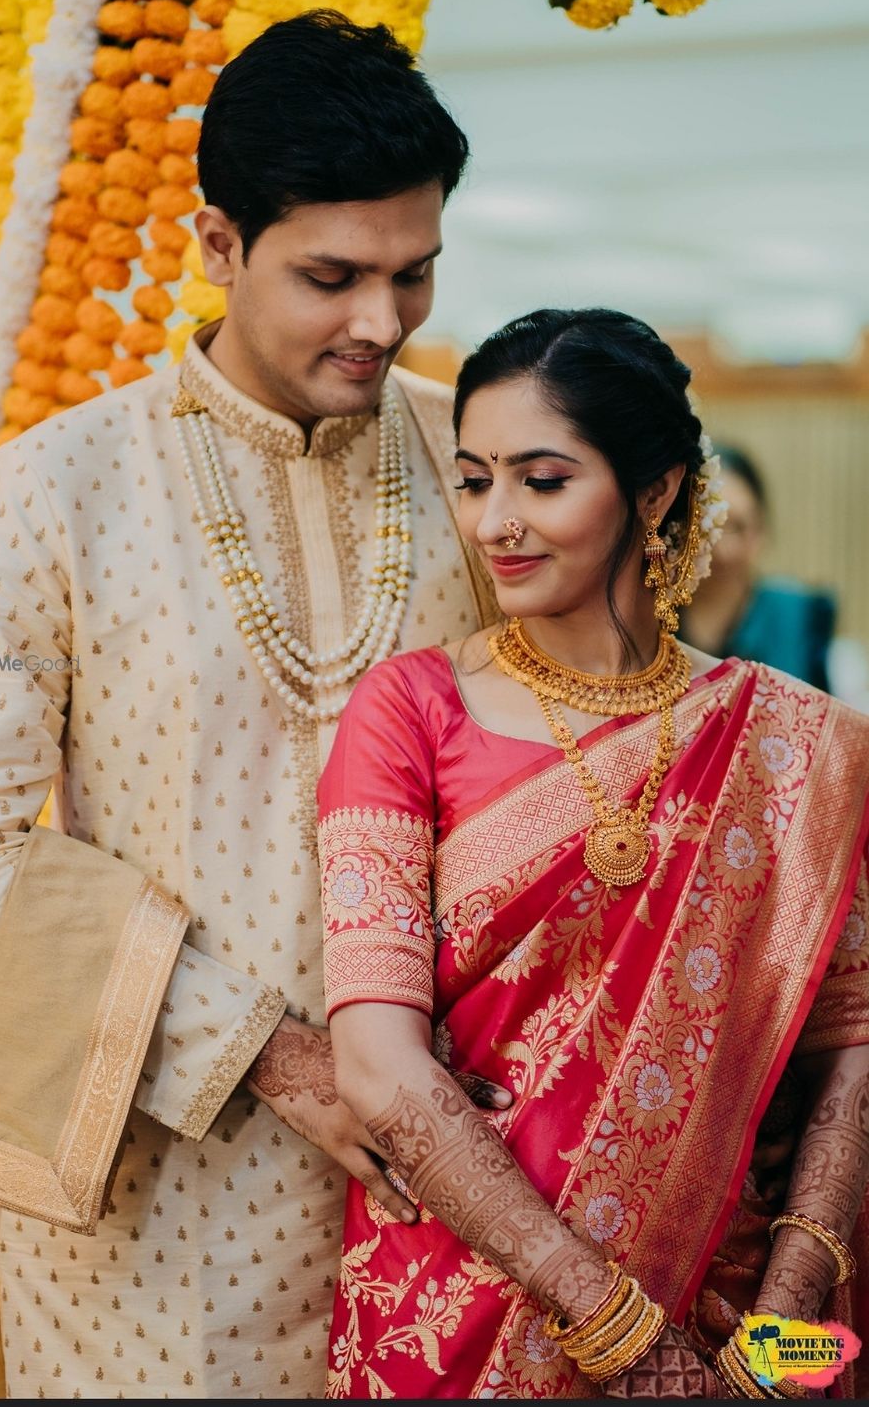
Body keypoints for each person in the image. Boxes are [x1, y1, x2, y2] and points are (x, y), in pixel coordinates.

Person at [0, 11, 502, 1400]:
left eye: (414, 274)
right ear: (219, 245)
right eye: (332, 275)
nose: (381, 321)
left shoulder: (479, 458)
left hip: (452, 1164)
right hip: (163, 1190)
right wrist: (282, 1058)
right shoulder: (62, 484)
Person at [317, 307, 869, 1400]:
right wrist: (625, 1338)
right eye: (474, 481)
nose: (497, 521)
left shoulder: (800, 740)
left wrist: (779, 1331)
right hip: (458, 1304)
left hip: (740, 1301)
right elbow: (379, 1066)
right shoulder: (410, 709)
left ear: (655, 490)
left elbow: (851, 1049)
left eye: (542, 479)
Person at [680, 443, 837, 693]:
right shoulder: (653, 614)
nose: (724, 549)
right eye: (709, 529)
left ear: (761, 529)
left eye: (738, 527)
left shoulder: (799, 615)